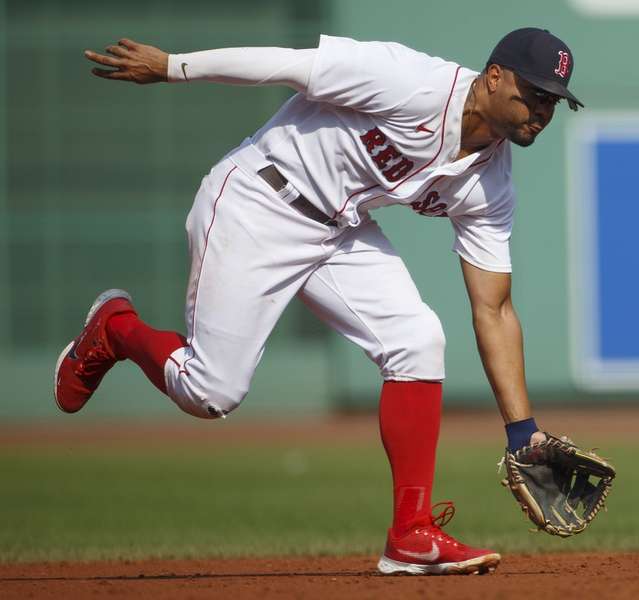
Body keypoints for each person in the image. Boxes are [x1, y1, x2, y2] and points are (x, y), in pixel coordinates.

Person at [58, 28, 583, 576]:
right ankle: (115, 327)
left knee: (417, 340)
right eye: (536, 92)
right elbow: (286, 64)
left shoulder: (492, 183)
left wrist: (523, 432)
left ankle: (411, 534)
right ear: (494, 76)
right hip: (257, 201)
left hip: (339, 229)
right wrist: (173, 66)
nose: (543, 110)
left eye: (554, 100)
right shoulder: (410, 82)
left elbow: (494, 308)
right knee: (209, 391)